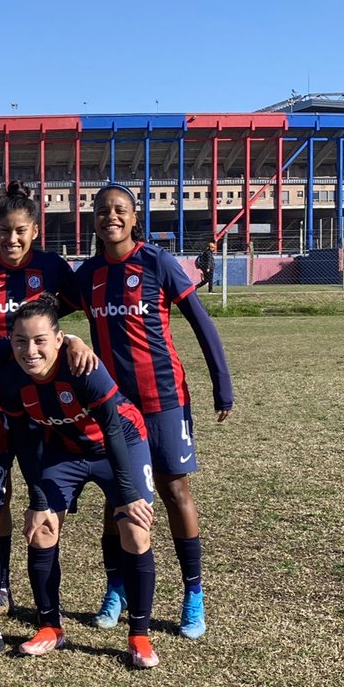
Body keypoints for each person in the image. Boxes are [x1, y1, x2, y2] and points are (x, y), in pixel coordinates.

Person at [73, 183, 233, 641]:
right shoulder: (88, 276)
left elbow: (201, 323)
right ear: (94, 219)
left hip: (164, 401)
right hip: (113, 407)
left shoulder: (157, 262)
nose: (111, 218)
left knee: (173, 490)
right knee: (115, 497)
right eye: (103, 211)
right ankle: (116, 587)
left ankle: (193, 594)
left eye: (119, 210)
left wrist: (222, 386)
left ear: (134, 215)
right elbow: (43, 311)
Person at [0, 297, 160, 666]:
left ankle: (139, 635)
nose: (30, 350)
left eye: (40, 340)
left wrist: (129, 494)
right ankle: (50, 627)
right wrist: (38, 498)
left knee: (135, 528)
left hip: (121, 444)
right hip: (66, 451)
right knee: (41, 528)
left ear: (58, 339)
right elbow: (22, 439)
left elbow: (114, 428)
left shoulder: (82, 366)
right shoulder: (9, 377)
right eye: (20, 341)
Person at [0, 181, 81, 618]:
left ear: (34, 230)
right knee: (1, 492)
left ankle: (49, 599)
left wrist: (69, 343)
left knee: (44, 490)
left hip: (44, 401)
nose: (11, 240)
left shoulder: (52, 267)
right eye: (3, 232)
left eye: (20, 231)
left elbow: (71, 309)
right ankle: (4, 588)